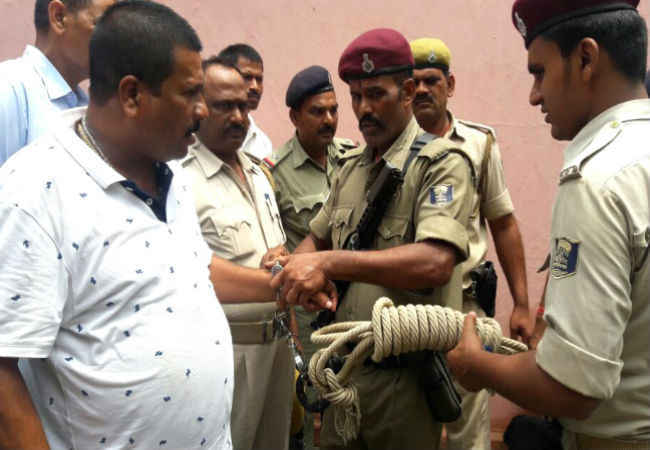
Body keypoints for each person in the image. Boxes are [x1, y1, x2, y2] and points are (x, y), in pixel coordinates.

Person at [0, 2, 244, 448]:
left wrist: (275, 282)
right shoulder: (35, 191)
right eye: (190, 93)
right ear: (132, 96)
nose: (203, 110)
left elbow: (191, 272)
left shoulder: (172, 172)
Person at [448, 1, 650, 449]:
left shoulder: (597, 181)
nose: (534, 96)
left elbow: (572, 387)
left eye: (539, 72)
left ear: (585, 59)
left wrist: (477, 366)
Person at [269, 28, 475, 450]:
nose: (364, 108)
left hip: (405, 383)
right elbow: (315, 239)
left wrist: (329, 264)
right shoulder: (350, 168)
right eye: (356, 96)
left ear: (407, 92)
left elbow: (435, 262)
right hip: (345, 375)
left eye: (376, 94)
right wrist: (291, 266)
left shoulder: (440, 164)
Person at [409, 37, 532, 450]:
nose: (422, 90)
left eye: (432, 80)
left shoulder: (479, 144)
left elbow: (503, 223)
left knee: (469, 431)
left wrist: (521, 303)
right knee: (410, 423)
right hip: (409, 313)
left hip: (465, 310)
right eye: (414, 82)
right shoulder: (390, 148)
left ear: (450, 85)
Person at [182, 57, 305, 450]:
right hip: (227, 354)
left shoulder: (259, 173)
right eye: (224, 106)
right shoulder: (180, 180)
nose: (238, 117)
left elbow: (273, 254)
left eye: (242, 106)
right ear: (198, 107)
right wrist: (284, 281)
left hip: (278, 348)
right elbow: (189, 272)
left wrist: (293, 336)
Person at [270, 64, 356, 450]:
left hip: (351, 303)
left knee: (349, 396)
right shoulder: (275, 173)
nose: (329, 119)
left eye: (334, 110)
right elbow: (277, 253)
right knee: (309, 399)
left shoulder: (354, 159)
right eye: (317, 112)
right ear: (294, 117)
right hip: (307, 315)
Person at [0, 0, 115, 166]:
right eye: (103, 25)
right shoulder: (9, 86)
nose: (114, 41)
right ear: (59, 17)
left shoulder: (84, 105)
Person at [218, 43, 273, 160]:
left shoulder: (262, 143)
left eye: (259, 79)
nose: (255, 87)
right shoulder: (198, 133)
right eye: (247, 77)